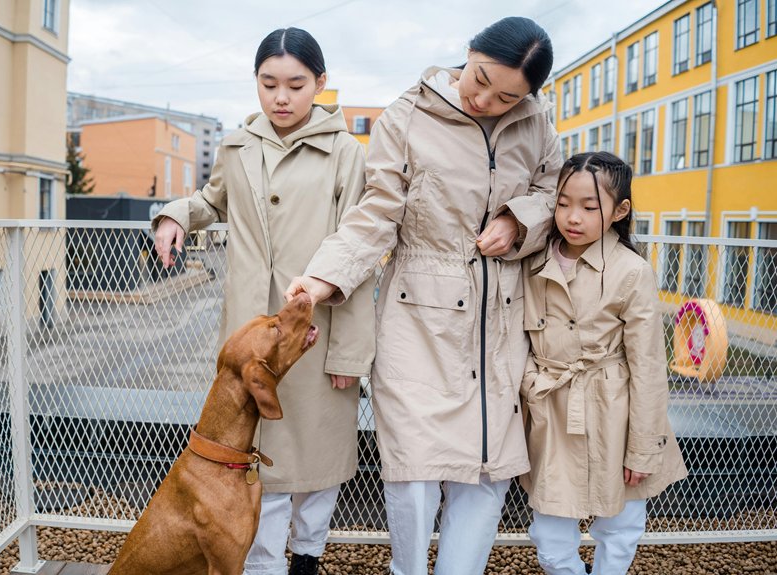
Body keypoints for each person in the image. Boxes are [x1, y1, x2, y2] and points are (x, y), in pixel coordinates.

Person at [285, 17, 561, 575]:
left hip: (502, 320)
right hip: (417, 318)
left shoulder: (538, 125)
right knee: (412, 472)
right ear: (469, 52)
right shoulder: (406, 116)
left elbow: (554, 190)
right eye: (480, 79)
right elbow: (377, 213)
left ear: (529, 96)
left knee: (487, 474)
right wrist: (322, 277)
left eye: (508, 96)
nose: (485, 100)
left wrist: (518, 219)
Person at [152, 28, 375, 575]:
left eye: (296, 85)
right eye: (268, 83)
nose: (281, 97)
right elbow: (211, 200)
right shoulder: (236, 145)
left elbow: (359, 252)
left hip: (315, 335)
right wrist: (176, 214)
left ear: (320, 84)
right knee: (258, 464)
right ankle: (266, 565)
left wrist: (349, 355)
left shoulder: (347, 154)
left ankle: (308, 558)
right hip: (251, 338)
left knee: (319, 464)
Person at [519, 151, 689, 575]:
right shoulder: (531, 260)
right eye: (562, 203)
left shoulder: (631, 271)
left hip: (618, 412)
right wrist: (528, 382)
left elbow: (649, 366)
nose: (572, 217)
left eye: (589, 206)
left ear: (620, 210)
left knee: (620, 529)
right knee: (550, 538)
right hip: (551, 409)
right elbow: (513, 338)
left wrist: (643, 448)